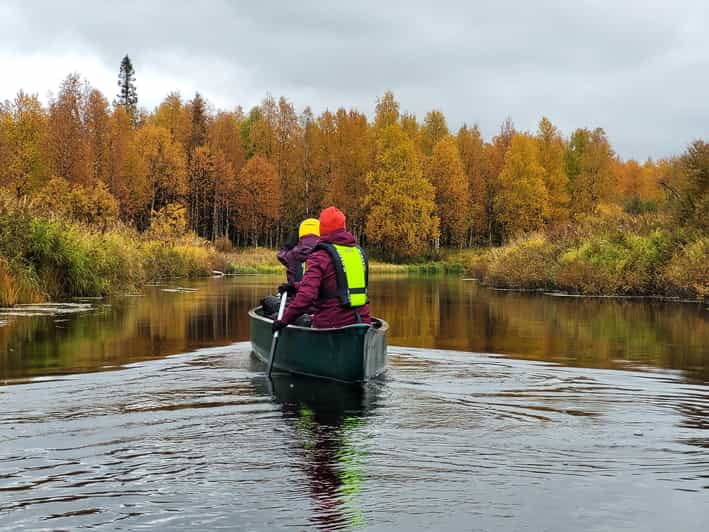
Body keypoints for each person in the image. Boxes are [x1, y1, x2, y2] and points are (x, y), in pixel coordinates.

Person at [273, 206, 371, 331]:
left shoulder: (319, 256)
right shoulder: (358, 253)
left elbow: (306, 297)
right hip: (362, 321)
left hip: (331, 325)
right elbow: (339, 285)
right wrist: (295, 287)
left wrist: (283, 321)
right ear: (343, 227)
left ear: (322, 229)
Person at [262, 218, 320, 318]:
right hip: (320, 306)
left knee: (268, 301)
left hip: (297, 305)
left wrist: (289, 245)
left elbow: (281, 256)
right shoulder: (326, 253)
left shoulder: (291, 254)